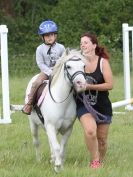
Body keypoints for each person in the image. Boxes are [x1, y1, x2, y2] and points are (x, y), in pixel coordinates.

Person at [76, 32, 113, 169]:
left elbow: (110, 85)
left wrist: (89, 86)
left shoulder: (103, 62)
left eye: (85, 42)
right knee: (90, 131)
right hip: (83, 104)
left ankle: (100, 161)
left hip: (102, 106)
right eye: (81, 43)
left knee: (102, 140)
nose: (82, 45)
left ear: (94, 45)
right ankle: (95, 161)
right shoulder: (78, 62)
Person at [22, 20, 65, 115]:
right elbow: (40, 63)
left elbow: (63, 60)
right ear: (42, 37)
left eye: (51, 35)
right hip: (45, 72)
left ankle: (79, 102)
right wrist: (50, 72)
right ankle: (29, 104)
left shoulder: (61, 47)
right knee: (36, 83)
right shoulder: (39, 49)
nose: (49, 37)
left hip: (59, 71)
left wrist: (57, 71)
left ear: (55, 35)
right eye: (47, 35)